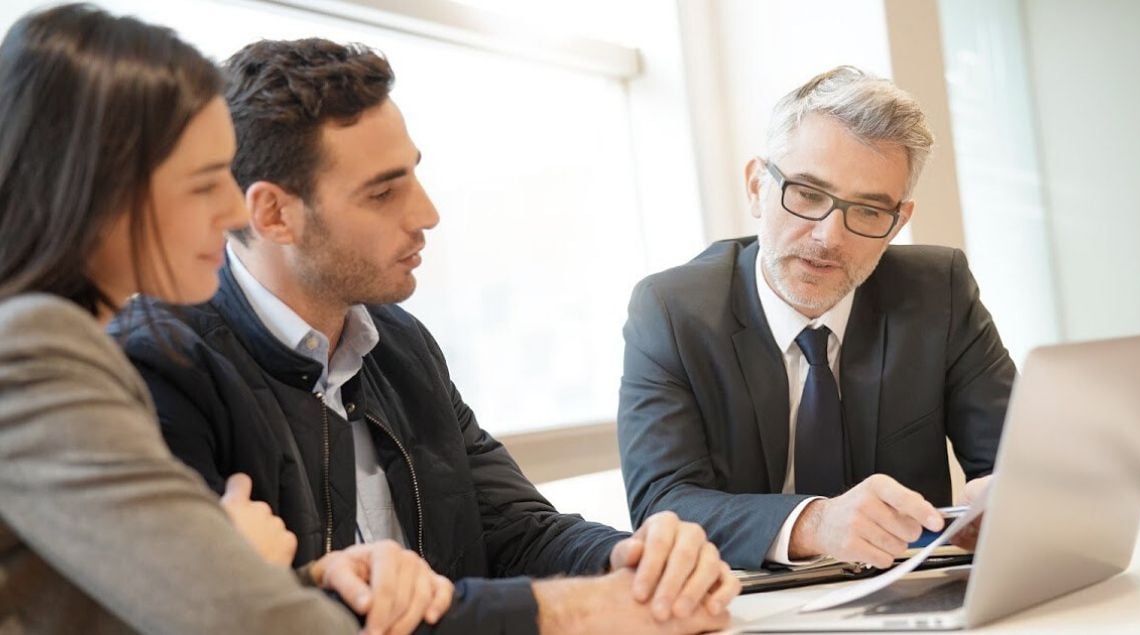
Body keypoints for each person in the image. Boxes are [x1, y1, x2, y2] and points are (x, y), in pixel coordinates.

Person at [118, 37, 739, 634]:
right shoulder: (160, 365)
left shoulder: (399, 342)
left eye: (413, 176)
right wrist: (581, 613)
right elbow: (263, 618)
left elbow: (519, 531)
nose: (426, 215)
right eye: (384, 192)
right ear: (274, 213)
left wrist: (635, 561)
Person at [0, 4, 456, 633]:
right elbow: (238, 619)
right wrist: (255, 575)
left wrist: (299, 578)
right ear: (101, 188)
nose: (232, 209)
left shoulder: (70, 347)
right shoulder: (34, 349)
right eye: (205, 180)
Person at [617, 66, 1015, 572]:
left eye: (869, 211)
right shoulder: (671, 311)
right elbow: (662, 506)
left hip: (911, 592)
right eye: (807, 194)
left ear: (899, 223)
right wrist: (815, 523)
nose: (829, 237)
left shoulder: (941, 291)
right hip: (747, 605)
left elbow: (1016, 463)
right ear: (757, 186)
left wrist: (1005, 500)